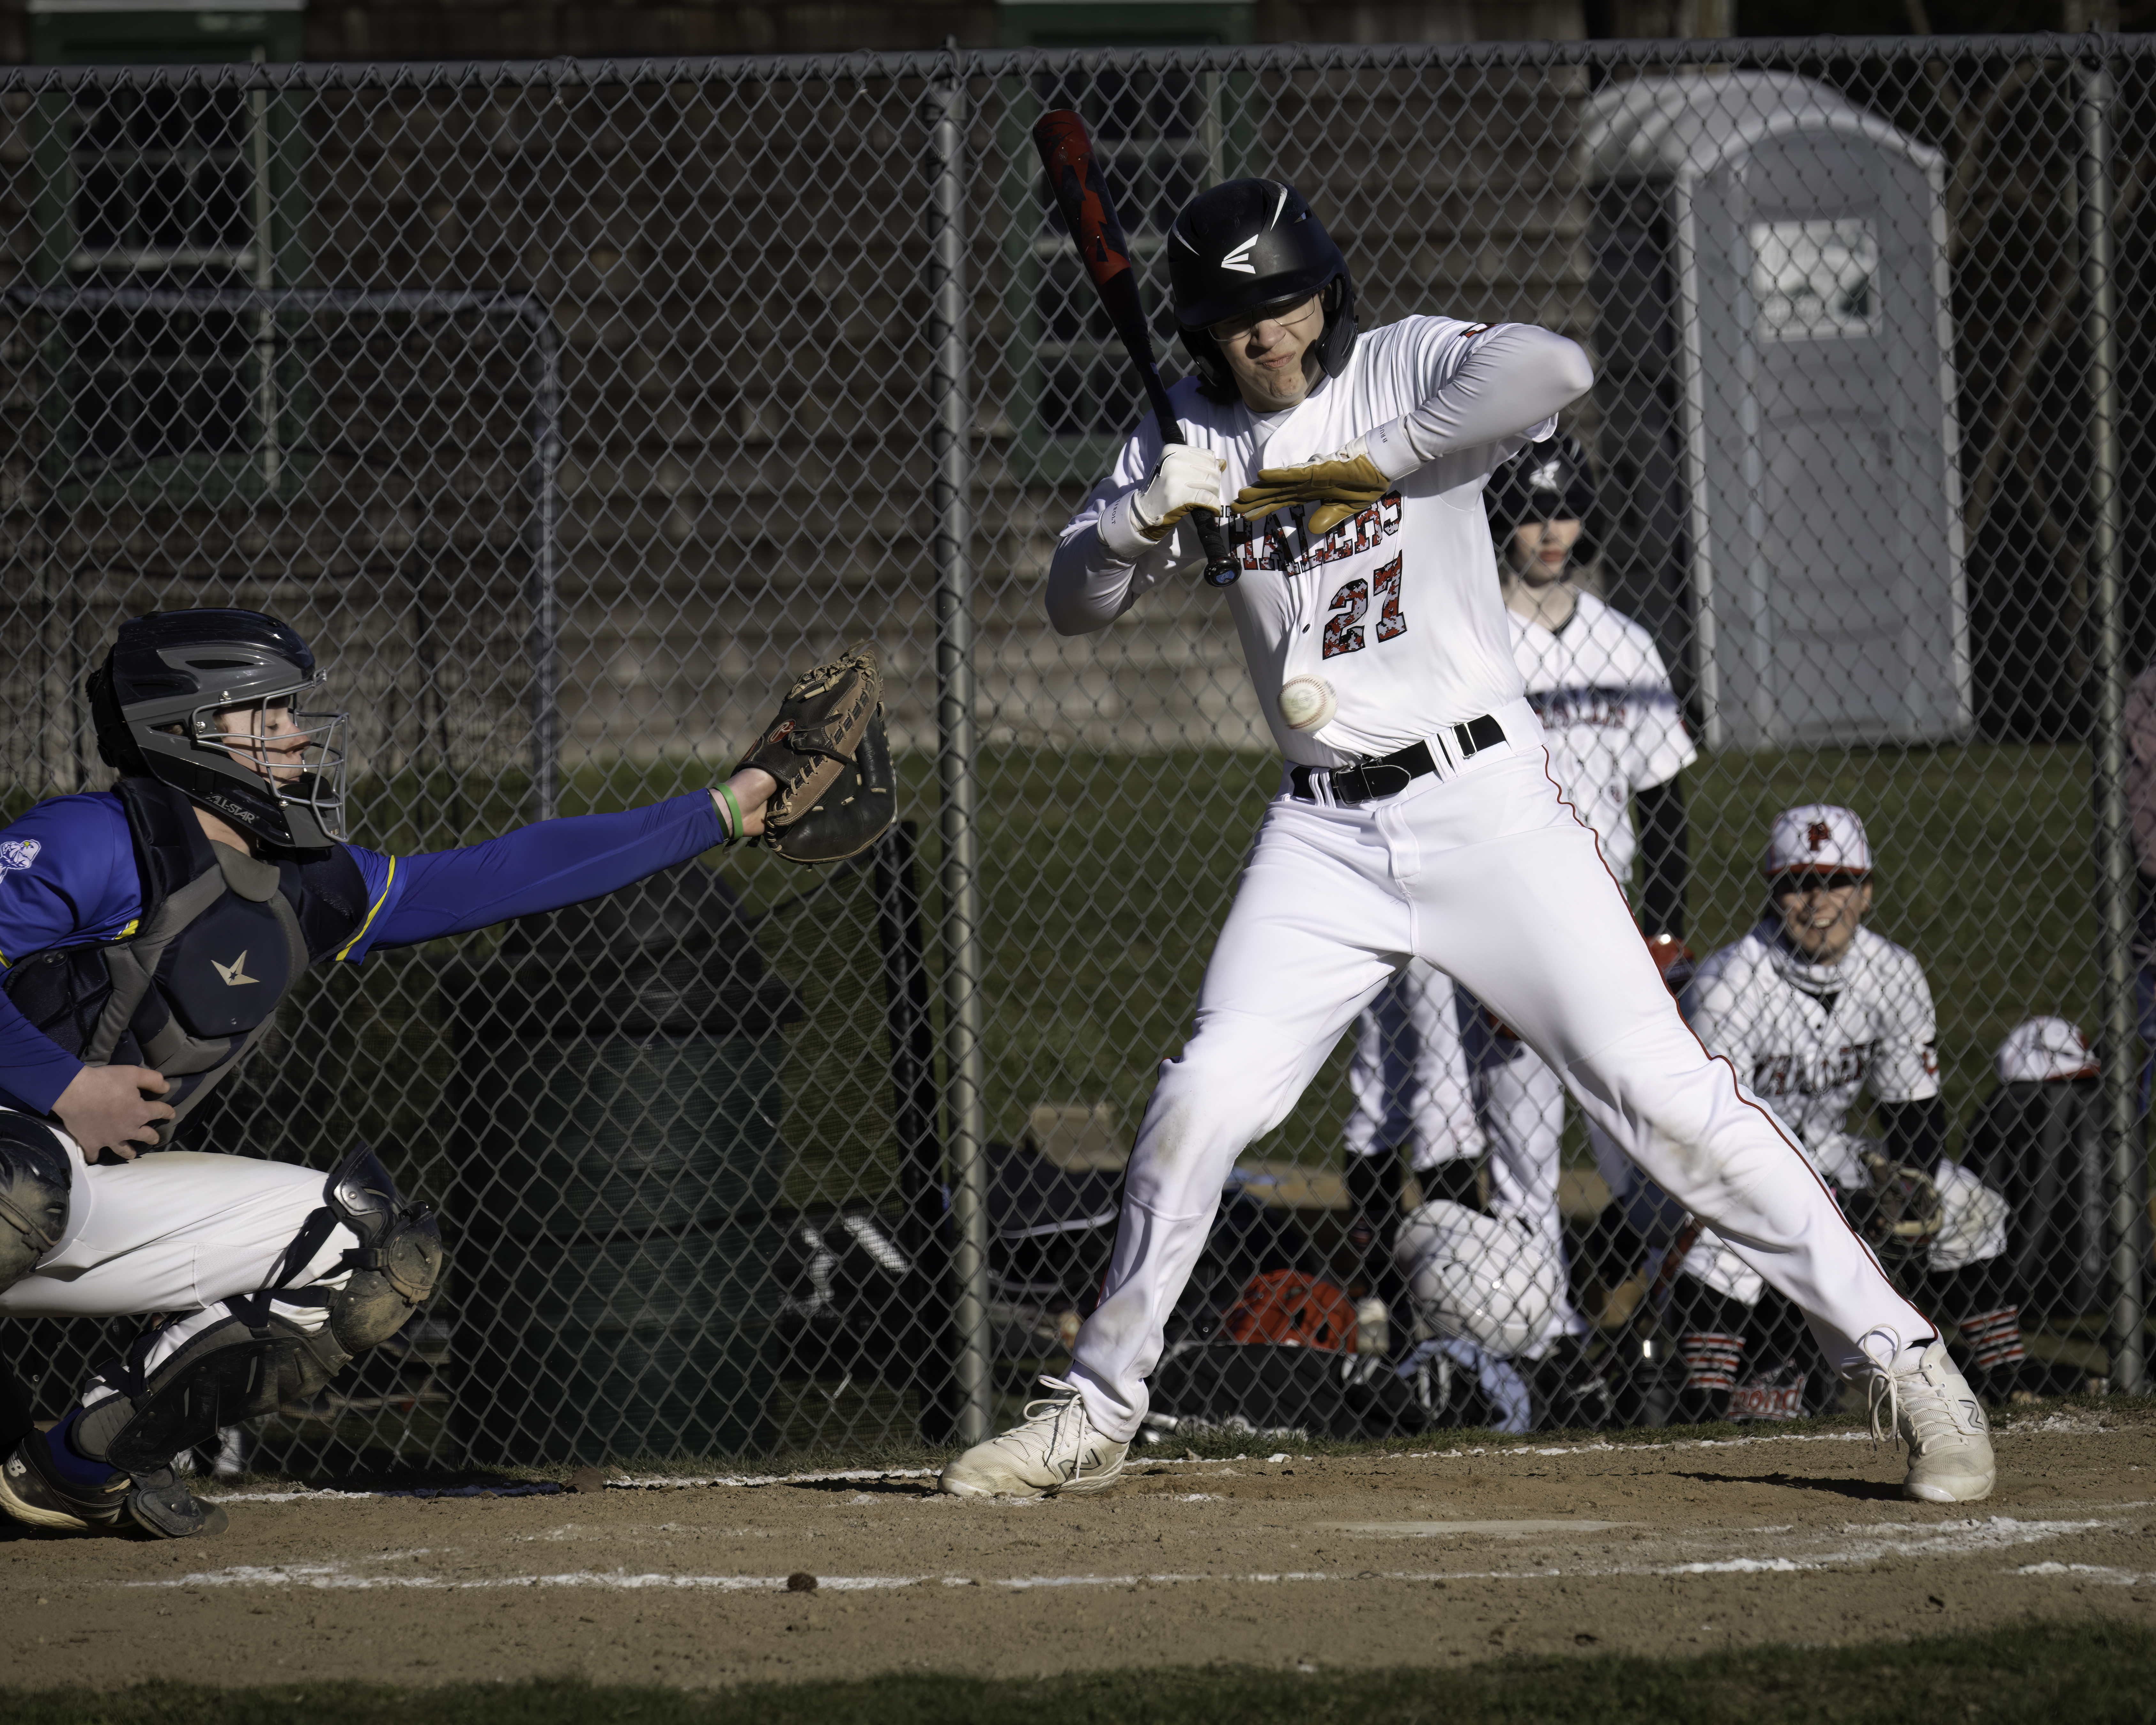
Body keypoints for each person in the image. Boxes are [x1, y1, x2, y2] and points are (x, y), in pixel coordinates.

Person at [937, 178, 1994, 1504]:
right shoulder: (1188, 436)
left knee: (1666, 1104)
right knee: (1199, 1100)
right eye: (1241, 321)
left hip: (1488, 807)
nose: (1275, 337)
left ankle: (1904, 1363)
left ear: (1325, 291)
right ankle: (1098, 1409)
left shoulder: (1397, 364)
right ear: (1199, 333)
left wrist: (1336, 477)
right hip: (1322, 830)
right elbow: (1070, 604)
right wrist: (1141, 517)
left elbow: (1556, 366)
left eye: (1290, 303)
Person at [0, 607, 886, 1539]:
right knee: (20, 1184)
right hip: (25, 1169)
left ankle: (76, 1468)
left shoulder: (303, 882)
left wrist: (726, 808)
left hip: (88, 1196)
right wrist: (60, 1084)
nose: (298, 735)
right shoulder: (89, 839)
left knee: (367, 1251)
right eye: (265, 719)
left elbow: (504, 872)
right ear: (182, 732)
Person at [1338, 433, 1696, 1428]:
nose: (1548, 533)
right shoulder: (1469, 636)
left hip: (1601, 924)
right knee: (1521, 1152)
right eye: (1530, 513)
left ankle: (1667, 1320)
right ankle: (1541, 1338)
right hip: (1499, 927)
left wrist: (1662, 931)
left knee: (1633, 1133)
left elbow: (1661, 797)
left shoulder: (1623, 645)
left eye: (1564, 512)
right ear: (1502, 521)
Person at [1667, 805, 2022, 1417]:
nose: (1817, 902)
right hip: (1726, 1159)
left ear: (1865, 892)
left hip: (1828, 1145)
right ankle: (1704, 1408)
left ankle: (2008, 1385)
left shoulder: (1892, 972)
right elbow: (1719, 1131)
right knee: (1726, 1235)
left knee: (1963, 1203)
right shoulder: (1730, 979)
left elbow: (1912, 1111)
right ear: (1774, 894)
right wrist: (1831, 1196)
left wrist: (1907, 1181)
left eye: (1835, 882)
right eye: (1798, 884)